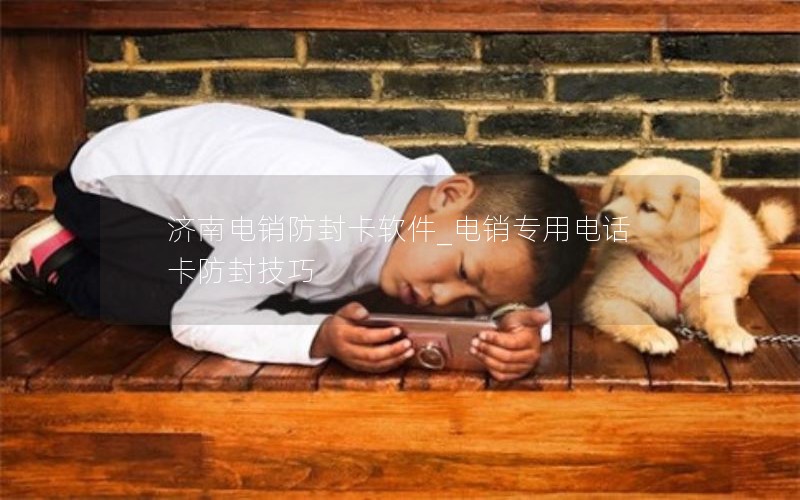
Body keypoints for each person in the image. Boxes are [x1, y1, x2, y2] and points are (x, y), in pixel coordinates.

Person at [0, 103, 589, 381]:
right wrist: (319, 338)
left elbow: (505, 271)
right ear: (450, 194)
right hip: (110, 186)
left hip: (223, 194)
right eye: (461, 274)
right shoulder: (320, 215)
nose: (443, 298)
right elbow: (198, 319)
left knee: (285, 286)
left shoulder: (439, 209)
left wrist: (520, 323)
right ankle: (57, 259)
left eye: (471, 302)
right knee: (195, 292)